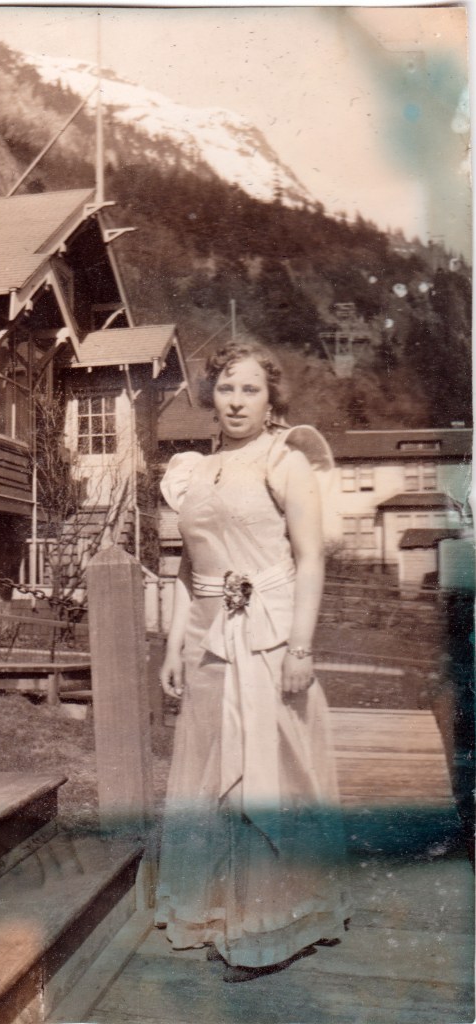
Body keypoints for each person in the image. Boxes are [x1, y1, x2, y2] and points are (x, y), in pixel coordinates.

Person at [155, 340, 348, 982]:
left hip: (268, 641)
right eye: (226, 389)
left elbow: (310, 558)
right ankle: (218, 910)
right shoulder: (192, 469)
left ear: (271, 399)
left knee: (271, 779)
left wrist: (301, 647)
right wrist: (176, 646)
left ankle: (271, 924)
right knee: (212, 782)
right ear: (211, 396)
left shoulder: (286, 456)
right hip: (208, 644)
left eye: (250, 390)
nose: (236, 401)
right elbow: (189, 572)